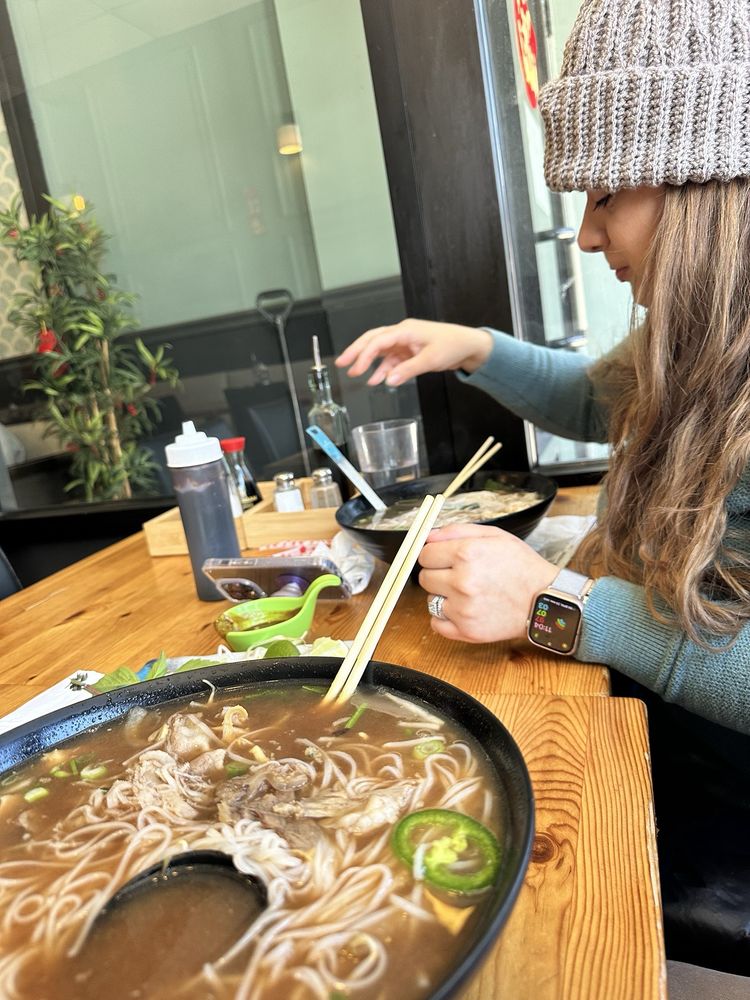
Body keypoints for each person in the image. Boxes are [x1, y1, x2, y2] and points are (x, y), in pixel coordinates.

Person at [337, 0, 750, 976]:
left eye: (606, 194)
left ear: (705, 186)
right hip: (661, 721)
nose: (588, 234)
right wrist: (471, 347)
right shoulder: (692, 340)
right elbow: (591, 397)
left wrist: (559, 607)